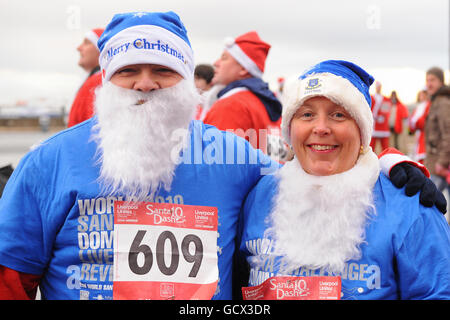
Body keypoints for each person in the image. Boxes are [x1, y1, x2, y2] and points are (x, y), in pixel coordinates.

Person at [0, 12, 443, 301]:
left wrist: (386, 164)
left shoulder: (233, 158)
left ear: (186, 81)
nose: (145, 84)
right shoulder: (48, 163)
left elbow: (317, 172)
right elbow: (11, 280)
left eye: (163, 71)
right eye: (128, 71)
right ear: (107, 80)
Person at [238, 60, 450, 300]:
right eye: (307, 114)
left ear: (361, 132)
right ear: (290, 129)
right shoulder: (258, 194)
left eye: (338, 115)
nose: (321, 128)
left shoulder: (410, 205)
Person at [202, 31, 290, 163]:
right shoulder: (269, 101)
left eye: (224, 58)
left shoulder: (232, 105)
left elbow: (213, 165)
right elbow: (279, 160)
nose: (216, 63)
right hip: (271, 182)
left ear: (243, 69)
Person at [67, 28, 104, 128]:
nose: (79, 48)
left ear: (102, 49)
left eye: (87, 43)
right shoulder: (96, 79)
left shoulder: (99, 81)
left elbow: (93, 130)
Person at [424, 66, 450, 209]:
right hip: (435, 163)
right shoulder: (436, 102)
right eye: (427, 80)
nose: (429, 84)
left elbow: (448, 134)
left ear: (441, 81)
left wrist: (443, 162)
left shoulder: (443, 104)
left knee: (429, 202)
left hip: (440, 165)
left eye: (432, 80)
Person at [370, 81, 392, 152]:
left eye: (379, 87)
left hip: (383, 124)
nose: (378, 88)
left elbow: (386, 110)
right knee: (371, 146)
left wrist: (382, 116)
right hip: (373, 124)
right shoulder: (371, 97)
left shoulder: (385, 99)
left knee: (385, 146)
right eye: (377, 87)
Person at [408, 89, 429, 163]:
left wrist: (416, 123)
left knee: (422, 154)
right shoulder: (418, 107)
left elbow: (423, 120)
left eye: (424, 94)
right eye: (421, 95)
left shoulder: (428, 105)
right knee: (417, 152)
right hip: (418, 133)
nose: (422, 96)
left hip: (424, 133)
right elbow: (411, 120)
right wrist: (412, 126)